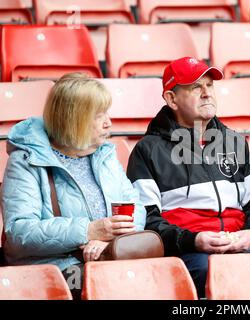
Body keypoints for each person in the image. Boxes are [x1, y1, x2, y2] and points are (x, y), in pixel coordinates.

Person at [126, 56, 250, 297]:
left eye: (210, 85)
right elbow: (146, 221)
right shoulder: (147, 151)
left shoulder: (235, 143)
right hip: (187, 252)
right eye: (195, 87)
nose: (206, 93)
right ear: (171, 99)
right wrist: (194, 240)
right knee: (216, 273)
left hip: (239, 247)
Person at [1, 73, 146, 299]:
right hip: (53, 268)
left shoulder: (104, 154)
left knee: (153, 280)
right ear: (72, 120)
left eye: (107, 113)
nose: (109, 122)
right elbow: (19, 232)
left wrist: (107, 240)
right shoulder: (27, 160)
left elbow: (136, 207)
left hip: (108, 258)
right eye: (99, 116)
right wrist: (87, 231)